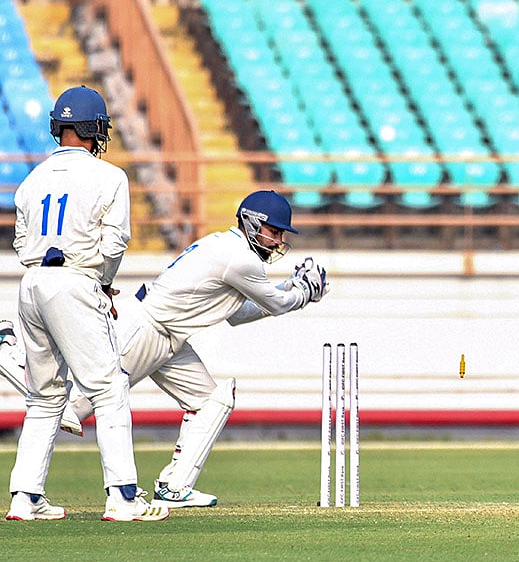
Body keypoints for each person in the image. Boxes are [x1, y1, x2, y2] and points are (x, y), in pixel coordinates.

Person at [65, 189, 327, 508]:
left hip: (168, 336)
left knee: (211, 401)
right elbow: (275, 303)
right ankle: (28, 484)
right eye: (274, 232)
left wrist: (289, 288)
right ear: (251, 222)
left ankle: (174, 487)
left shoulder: (228, 248)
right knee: (73, 409)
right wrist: (303, 291)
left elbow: (238, 313)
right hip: (147, 329)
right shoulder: (240, 258)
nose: (277, 241)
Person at [6, 85, 169, 522]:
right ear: (95, 129)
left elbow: (22, 244)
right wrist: (102, 284)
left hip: (33, 283)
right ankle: (122, 496)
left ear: (59, 127)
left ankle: (24, 497)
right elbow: (115, 242)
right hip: (76, 282)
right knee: (109, 388)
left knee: (43, 398)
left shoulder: (32, 179)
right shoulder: (109, 176)